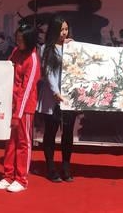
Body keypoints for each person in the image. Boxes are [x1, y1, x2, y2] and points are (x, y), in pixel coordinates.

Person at [0, 24, 41, 193]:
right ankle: (8, 175)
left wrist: (18, 114)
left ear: (29, 40)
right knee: (10, 141)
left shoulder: (33, 59)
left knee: (23, 143)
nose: (18, 42)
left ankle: (21, 179)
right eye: (17, 39)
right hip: (11, 103)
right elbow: (6, 71)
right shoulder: (15, 52)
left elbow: (27, 90)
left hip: (24, 108)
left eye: (21, 40)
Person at [36, 15, 77, 182]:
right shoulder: (46, 48)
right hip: (52, 98)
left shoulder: (72, 47)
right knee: (51, 132)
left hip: (69, 98)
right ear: (53, 31)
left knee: (68, 133)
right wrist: (55, 92)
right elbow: (48, 73)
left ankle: (66, 166)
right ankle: (51, 167)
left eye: (66, 29)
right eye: (61, 30)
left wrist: (73, 46)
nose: (64, 33)